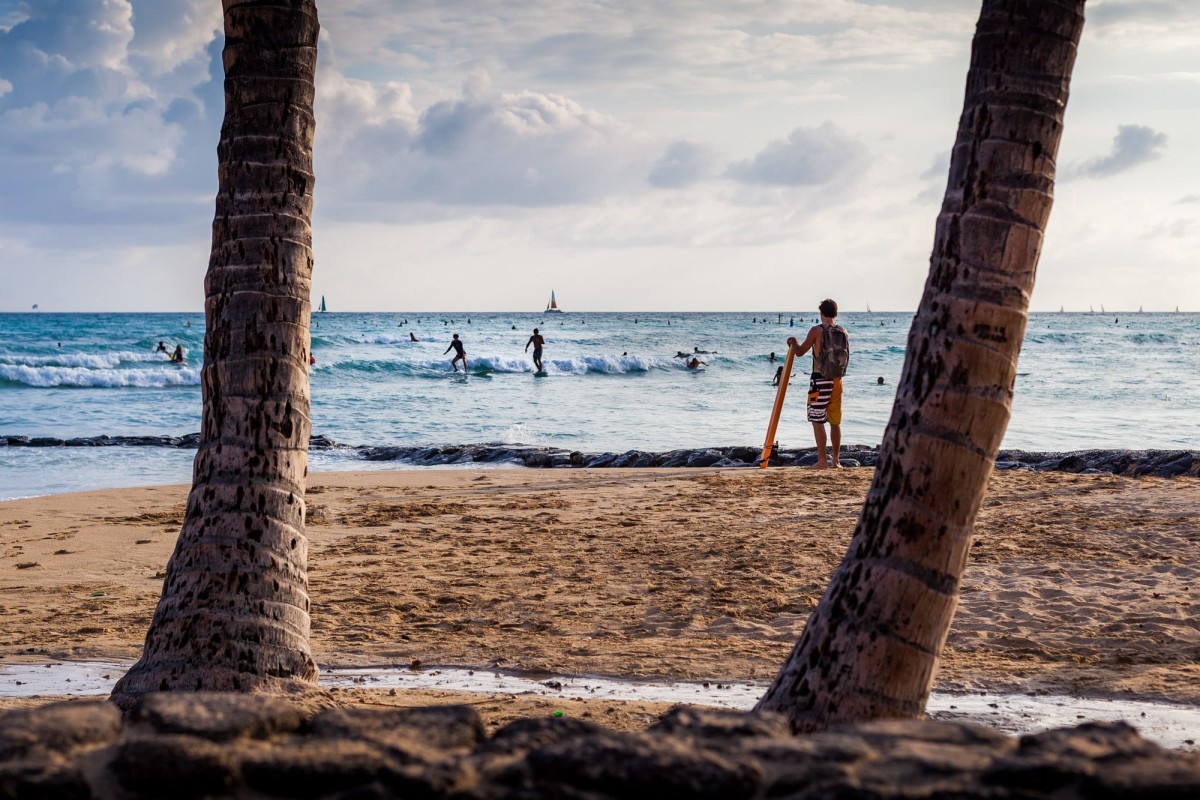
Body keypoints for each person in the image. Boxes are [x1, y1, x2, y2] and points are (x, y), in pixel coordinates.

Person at [786, 298, 846, 469]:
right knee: (835, 421)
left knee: (817, 419)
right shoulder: (843, 331)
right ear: (836, 313)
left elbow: (800, 352)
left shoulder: (816, 330)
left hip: (820, 380)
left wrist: (793, 341)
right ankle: (836, 461)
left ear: (821, 313)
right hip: (837, 381)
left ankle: (821, 461)